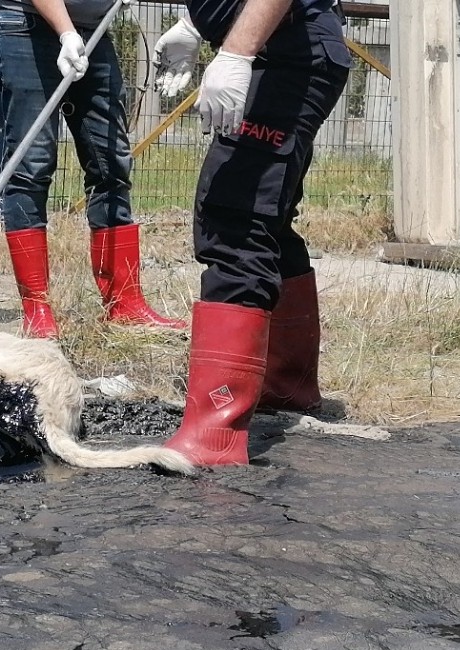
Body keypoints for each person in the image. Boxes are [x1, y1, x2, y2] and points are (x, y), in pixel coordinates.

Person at [151, 0, 351, 465]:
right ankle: (287, 384)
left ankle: (215, 430)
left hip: (284, 52)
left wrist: (237, 51)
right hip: (283, 46)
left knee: (235, 219)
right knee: (268, 220)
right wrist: (194, 22)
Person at [0, 0, 188, 339]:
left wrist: (190, 24)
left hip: (94, 30)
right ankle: (37, 311)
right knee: (31, 165)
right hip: (26, 25)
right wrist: (66, 32)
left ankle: (124, 303)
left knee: (111, 163)